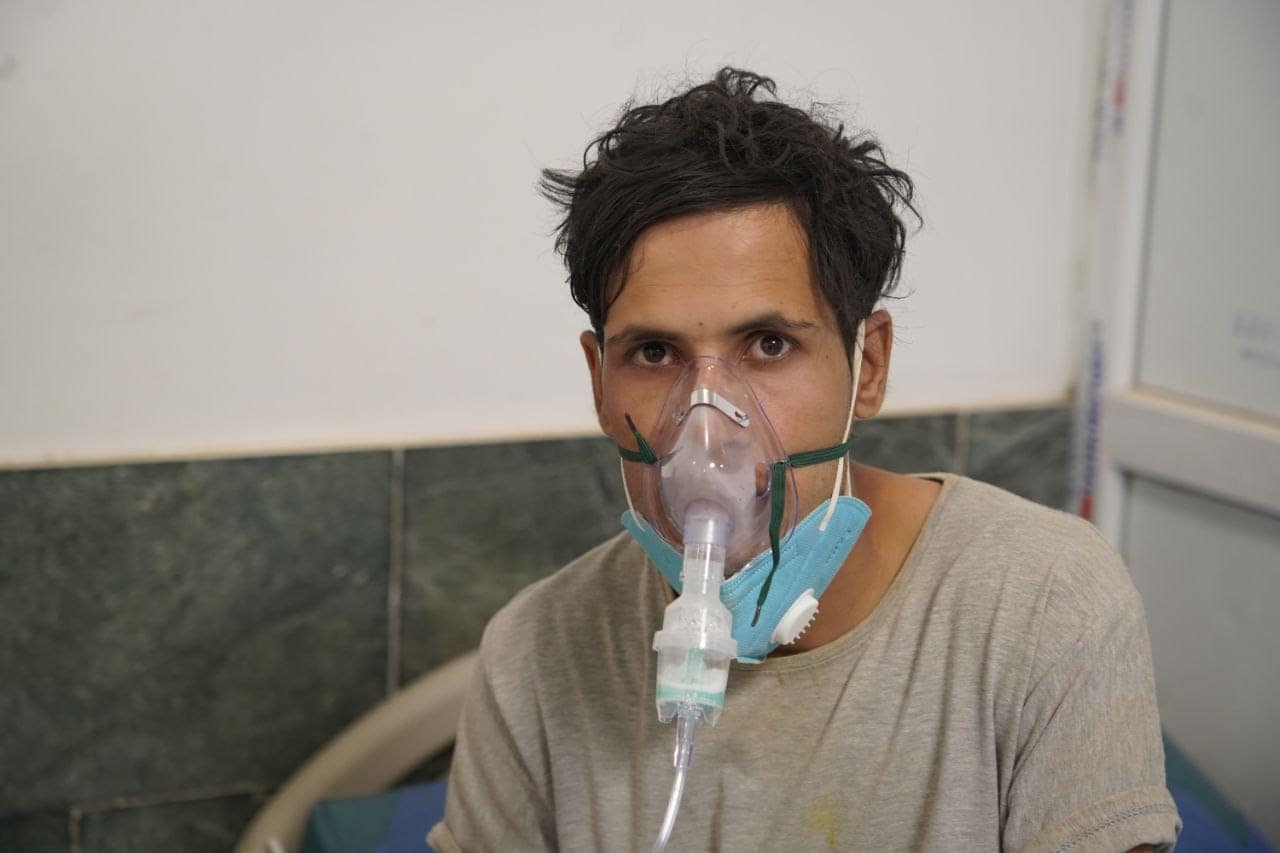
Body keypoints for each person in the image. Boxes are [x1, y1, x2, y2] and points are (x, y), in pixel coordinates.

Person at [427, 68, 1180, 852]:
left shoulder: (1043, 605)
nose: (707, 428)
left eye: (768, 344)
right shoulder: (533, 657)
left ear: (869, 366)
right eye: (654, 353)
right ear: (598, 379)